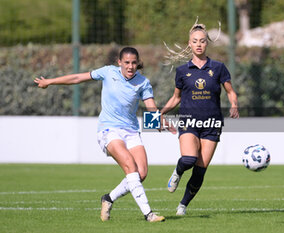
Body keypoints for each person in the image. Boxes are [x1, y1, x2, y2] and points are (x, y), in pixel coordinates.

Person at [34, 47, 167, 222]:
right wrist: (50, 82)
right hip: (109, 129)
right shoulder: (107, 72)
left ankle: (108, 199)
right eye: (126, 62)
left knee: (141, 173)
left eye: (134, 63)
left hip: (131, 131)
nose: (130, 66)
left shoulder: (143, 82)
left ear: (138, 63)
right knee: (130, 165)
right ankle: (148, 214)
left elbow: (150, 106)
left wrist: (158, 123)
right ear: (119, 62)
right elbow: (77, 78)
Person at [161, 22, 239, 215]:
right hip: (189, 122)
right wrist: (161, 113)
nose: (199, 44)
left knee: (200, 169)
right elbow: (176, 98)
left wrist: (234, 104)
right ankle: (178, 172)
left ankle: (183, 206)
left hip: (212, 124)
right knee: (188, 159)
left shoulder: (218, 67)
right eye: (195, 41)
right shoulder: (182, 71)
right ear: (189, 44)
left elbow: (230, 91)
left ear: (207, 44)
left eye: (202, 41)